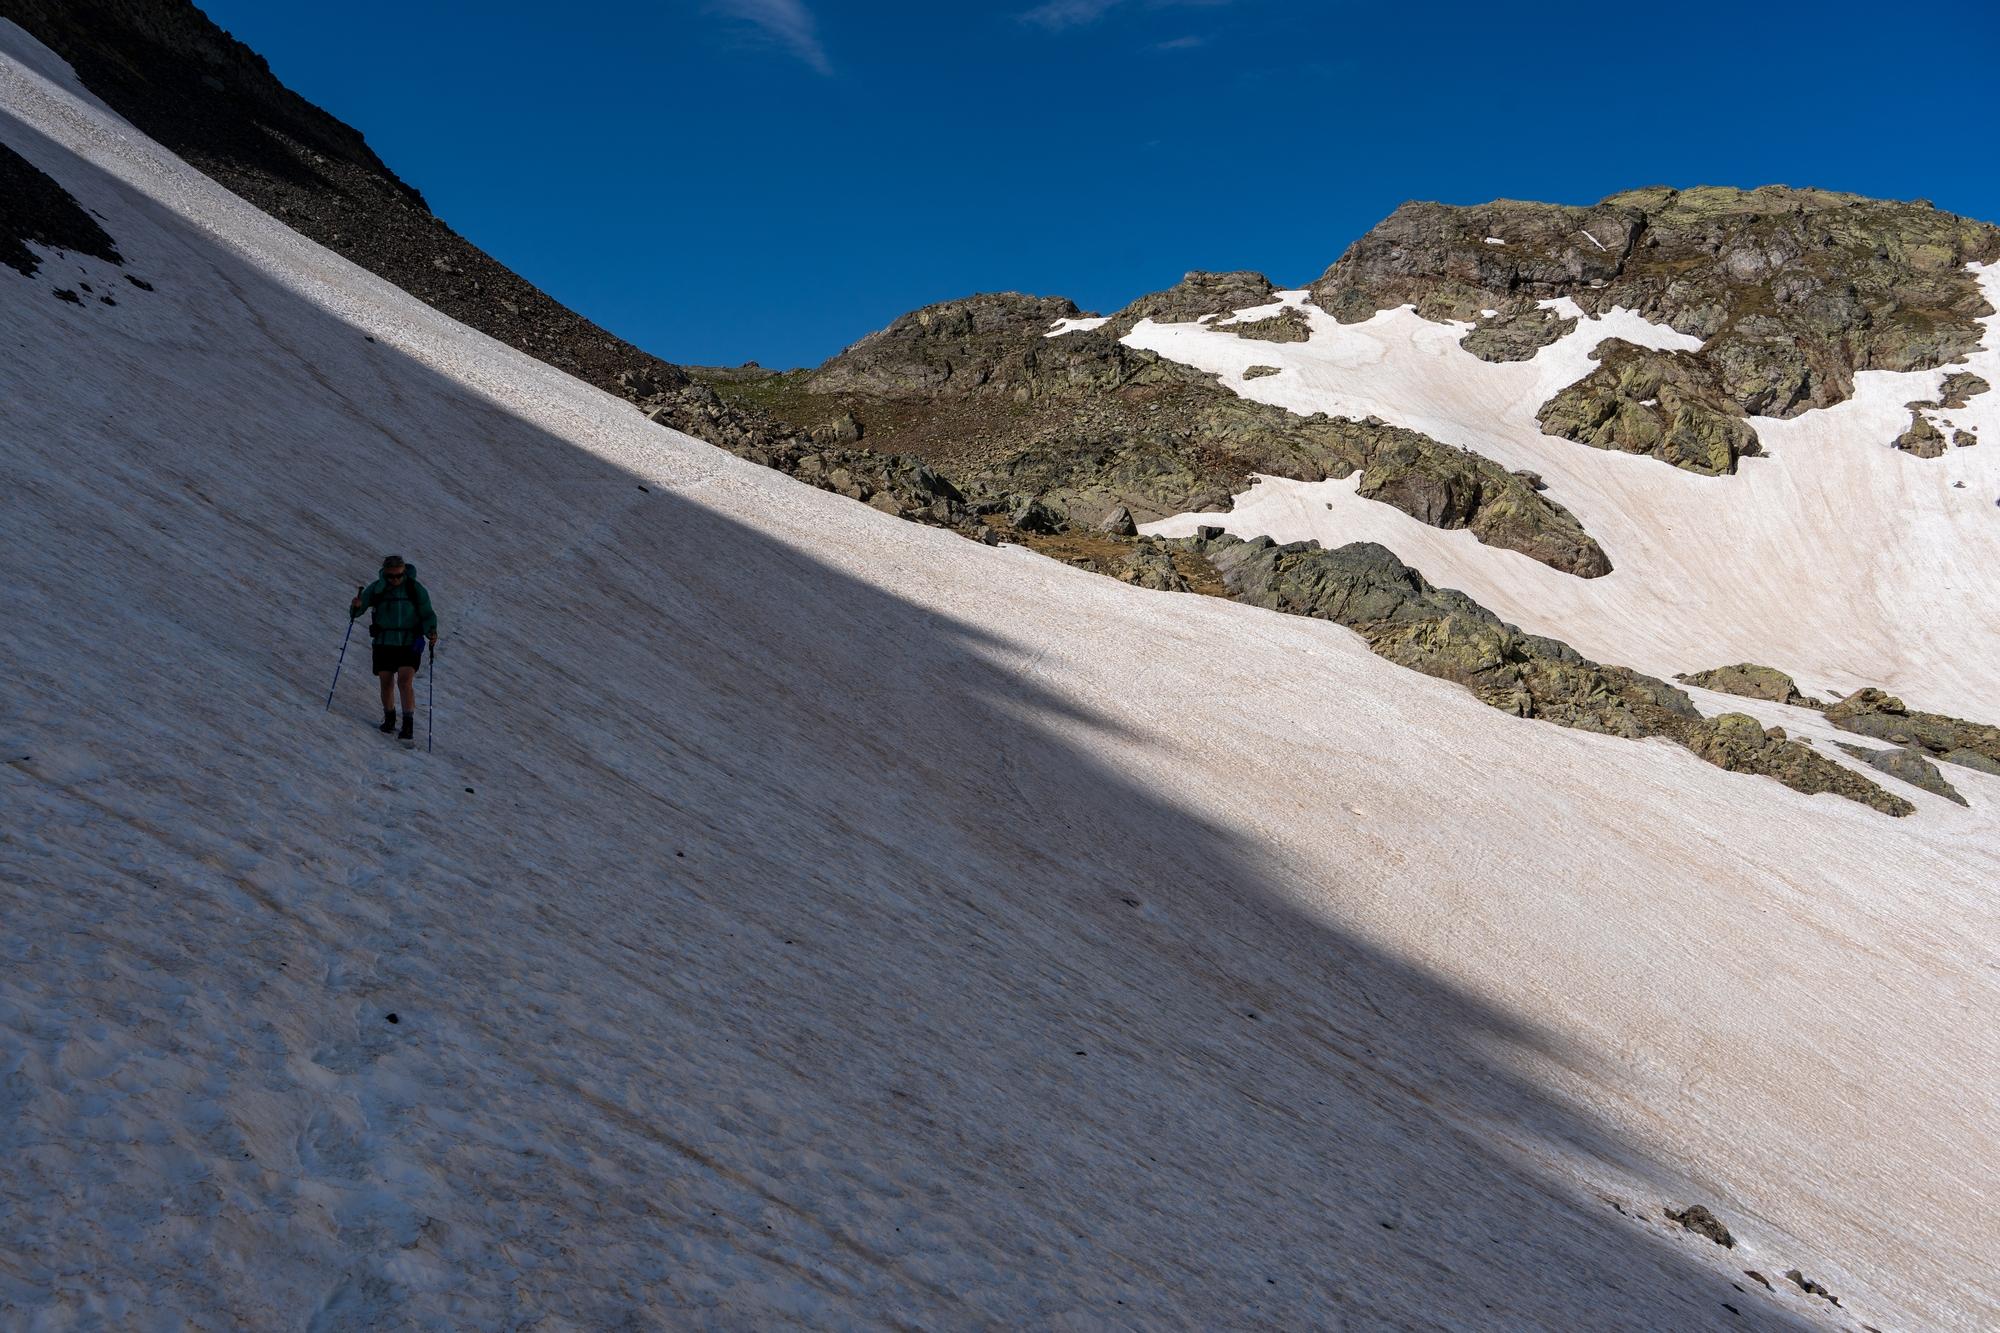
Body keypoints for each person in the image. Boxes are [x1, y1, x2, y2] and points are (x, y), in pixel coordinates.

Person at [349, 555, 438, 739]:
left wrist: (431, 631)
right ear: (385, 574)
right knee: (386, 681)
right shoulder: (377, 588)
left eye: (399, 575)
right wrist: (356, 606)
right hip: (384, 641)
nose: (395, 580)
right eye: (391, 576)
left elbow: (427, 613)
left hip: (409, 641)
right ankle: (389, 717)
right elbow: (358, 611)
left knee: (405, 681)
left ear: (404, 572)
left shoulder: (415, 589)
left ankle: (408, 725)